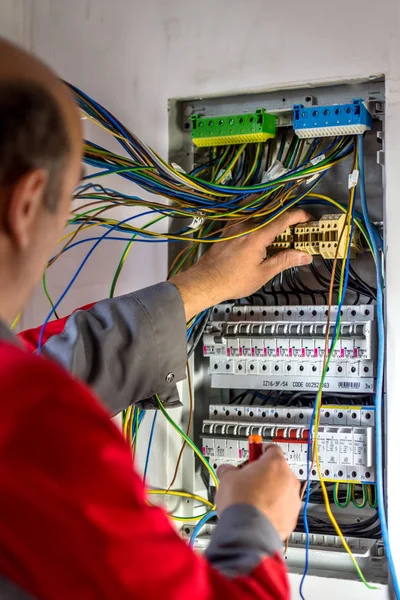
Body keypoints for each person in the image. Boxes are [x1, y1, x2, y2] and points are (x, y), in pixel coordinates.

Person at [0, 38, 313, 600]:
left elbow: (45, 365)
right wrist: (254, 523)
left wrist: (200, 287)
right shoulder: (39, 429)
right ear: (26, 205)